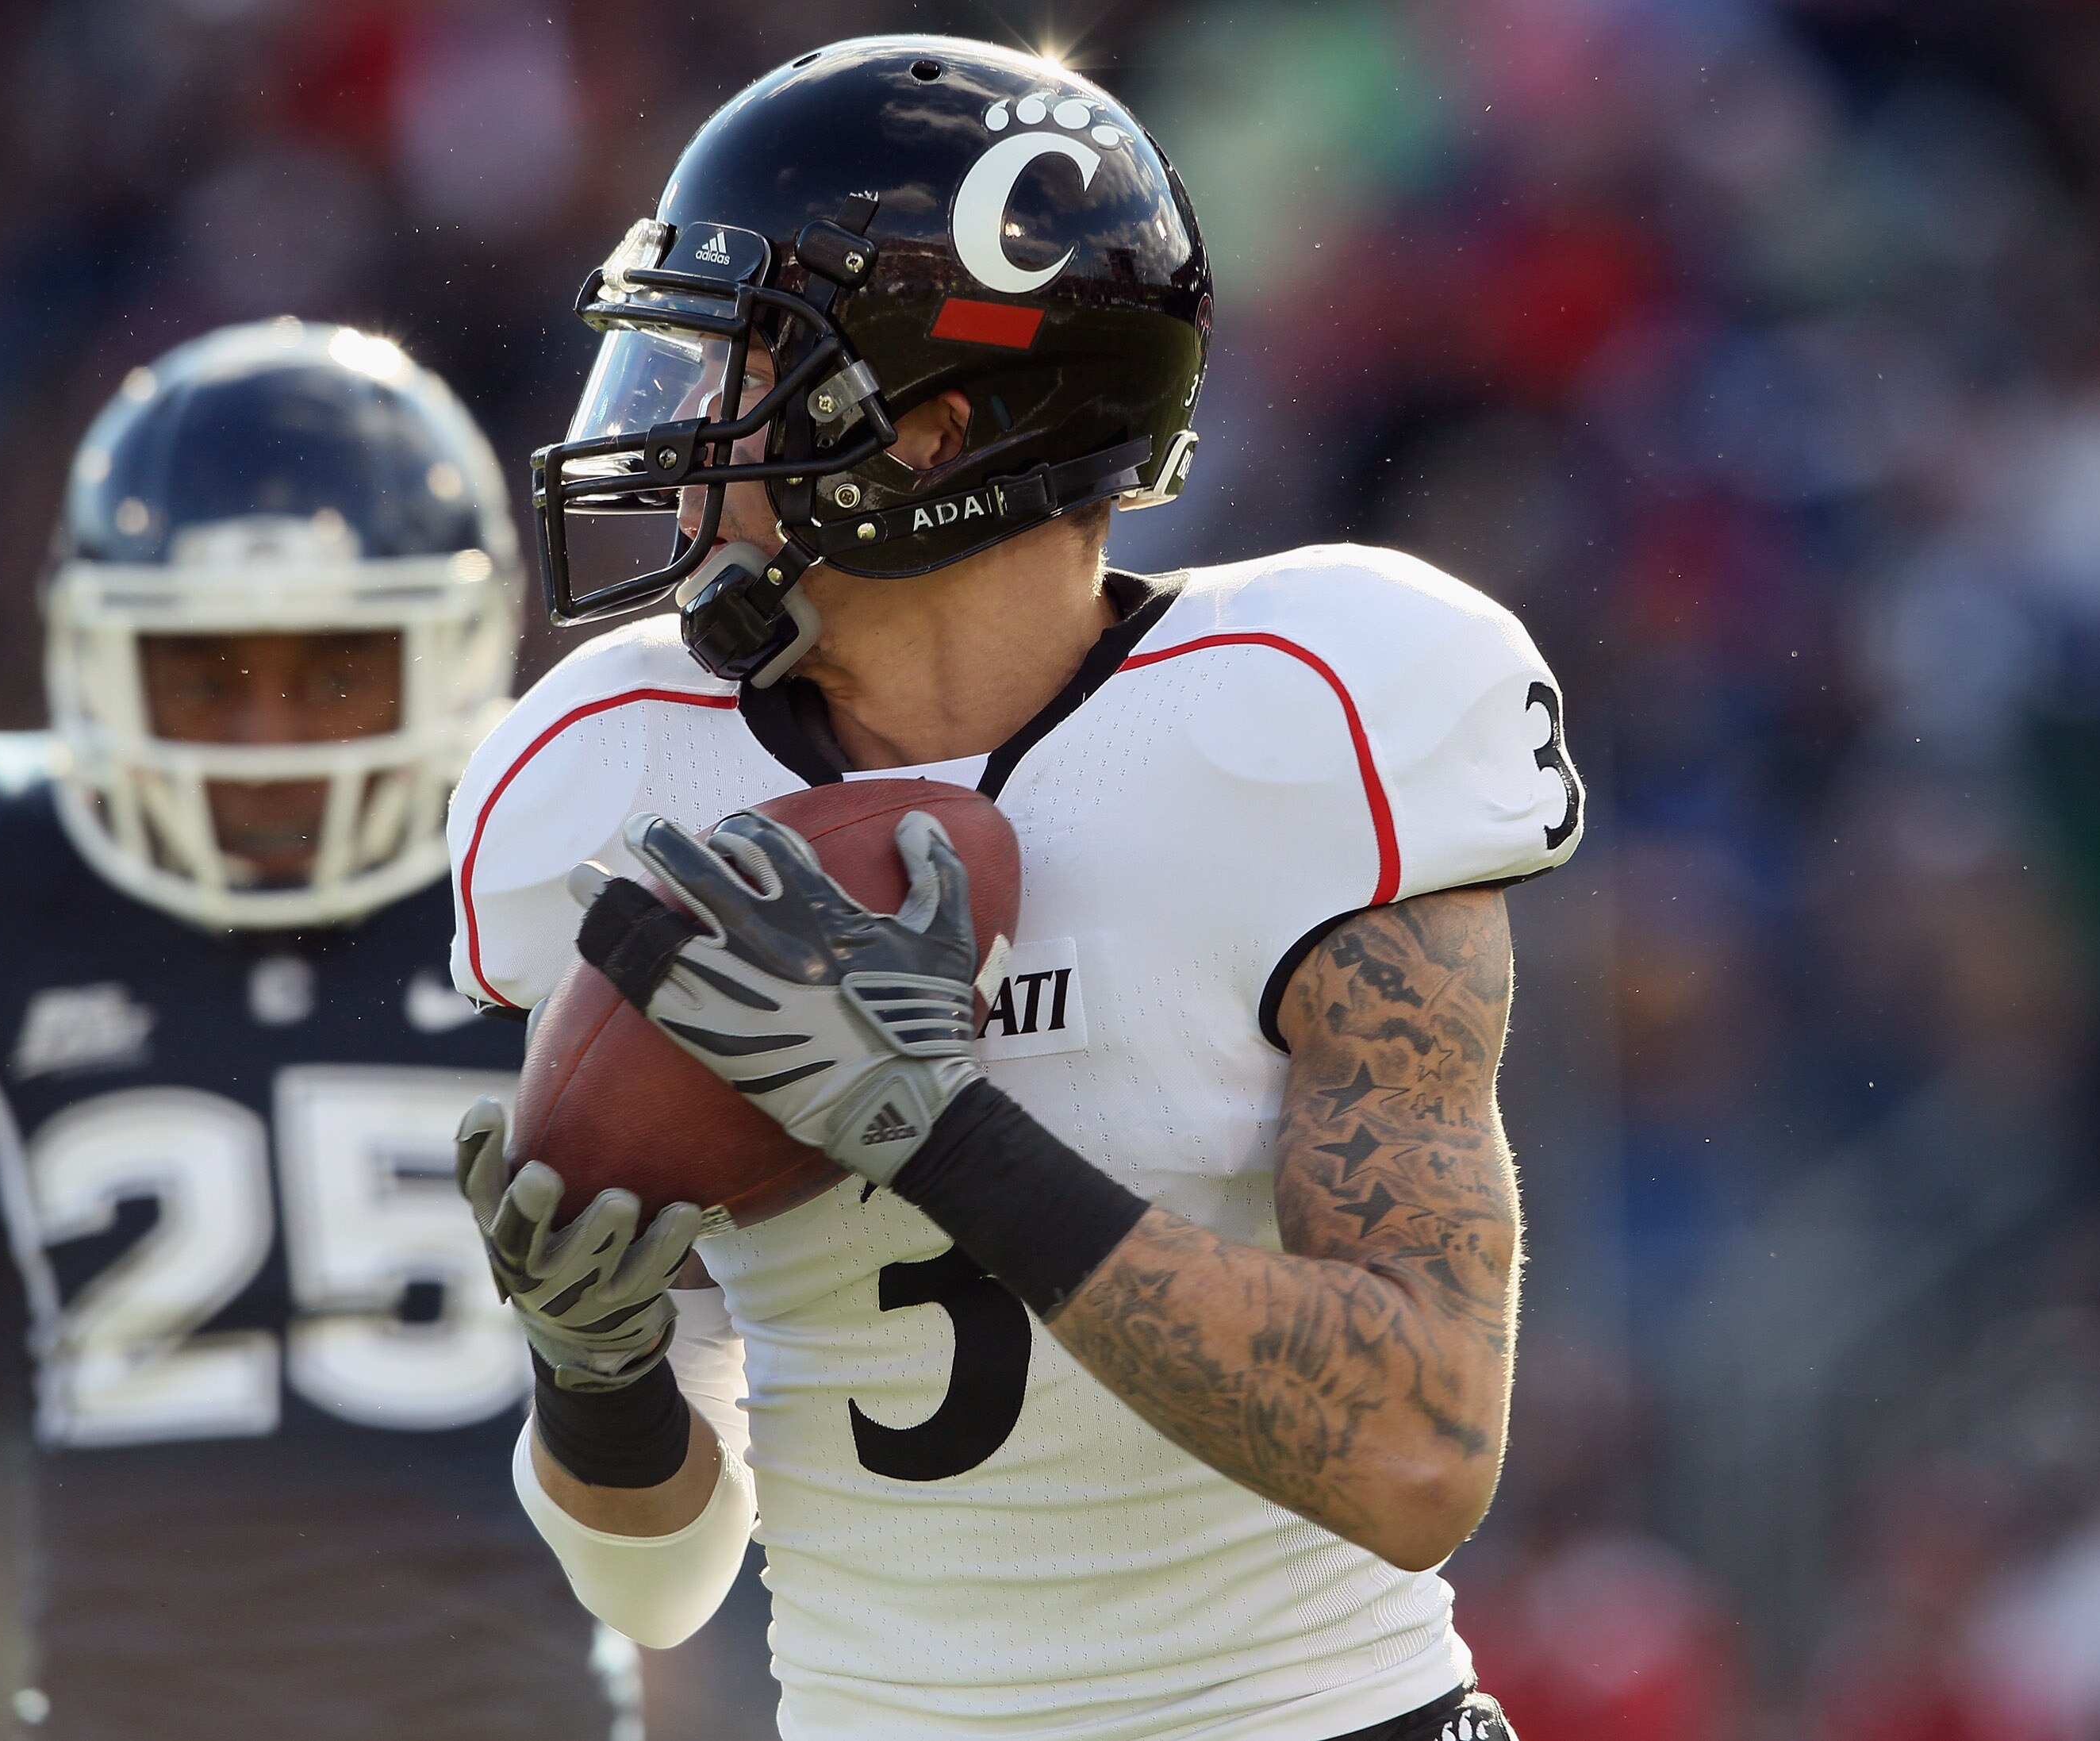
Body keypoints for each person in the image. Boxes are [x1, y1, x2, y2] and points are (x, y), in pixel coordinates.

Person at [451, 35, 1580, 1741]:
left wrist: (932, 1123)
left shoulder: (1320, 703)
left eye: (742, 366)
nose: (681, 431)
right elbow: (655, 1582)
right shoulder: (608, 771)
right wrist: (594, 1371)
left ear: (928, 430)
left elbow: (1418, 1447)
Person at [0, 320, 632, 1741]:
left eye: (338, 669)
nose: (272, 744)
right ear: (96, 660)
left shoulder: (592, 876)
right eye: (207, 674)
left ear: (459, 653)